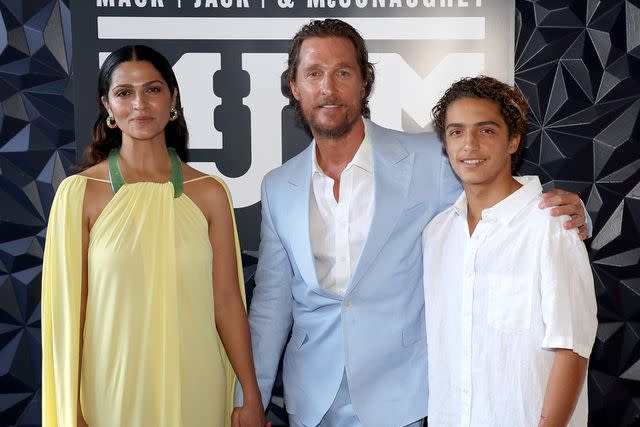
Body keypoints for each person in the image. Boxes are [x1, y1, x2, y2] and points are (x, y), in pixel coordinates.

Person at [236, 19, 590, 427]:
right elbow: (271, 307)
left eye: (343, 72)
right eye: (314, 74)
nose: (328, 88)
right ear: (295, 87)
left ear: (365, 82)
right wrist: (251, 398)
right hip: (311, 402)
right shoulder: (279, 186)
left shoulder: (430, 158)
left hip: (403, 398)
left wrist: (577, 213)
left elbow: (495, 198)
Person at [41, 45, 266, 427]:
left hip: (197, 386)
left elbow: (227, 301)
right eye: (124, 93)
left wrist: (251, 392)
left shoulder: (211, 193)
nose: (139, 104)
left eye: (153, 90)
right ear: (107, 106)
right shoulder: (78, 194)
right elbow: (67, 315)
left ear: (173, 98)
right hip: (111, 392)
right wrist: (70, 410)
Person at [422, 76, 597, 426]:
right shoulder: (437, 235)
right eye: (456, 132)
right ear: (444, 143)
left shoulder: (551, 226)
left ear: (513, 140)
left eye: (486, 130)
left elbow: (572, 348)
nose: (469, 144)